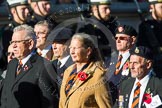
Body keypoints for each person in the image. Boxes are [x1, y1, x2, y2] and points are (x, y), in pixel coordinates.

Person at [0, 24, 58, 108]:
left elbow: (49, 102)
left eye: (17, 42)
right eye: (12, 42)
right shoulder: (12, 64)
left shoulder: (43, 66)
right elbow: (5, 96)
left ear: (30, 43)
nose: (14, 46)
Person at [59, 33, 112, 108]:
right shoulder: (68, 71)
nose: (72, 52)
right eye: (71, 48)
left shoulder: (97, 75)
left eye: (76, 48)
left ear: (88, 51)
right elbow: (62, 103)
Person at [0, 0, 34, 72]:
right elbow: (3, 60)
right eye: (23, 9)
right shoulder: (7, 32)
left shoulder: (33, 27)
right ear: (13, 11)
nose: (27, 11)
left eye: (27, 8)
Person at [107, 25, 137, 105]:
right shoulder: (110, 60)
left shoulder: (137, 60)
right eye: (116, 38)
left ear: (133, 40)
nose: (118, 41)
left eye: (122, 38)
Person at [136, 0, 162, 78]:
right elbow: (142, 50)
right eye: (161, 7)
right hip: (155, 67)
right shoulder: (145, 26)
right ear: (152, 7)